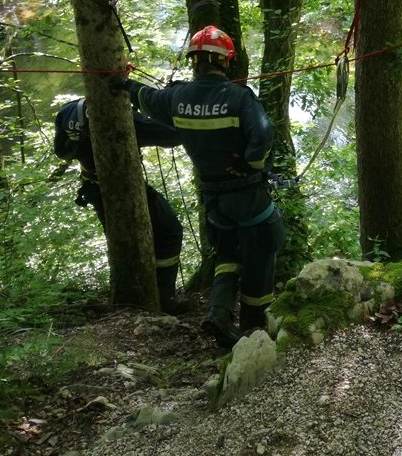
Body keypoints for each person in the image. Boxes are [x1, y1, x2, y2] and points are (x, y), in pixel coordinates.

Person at [111, 25, 284, 348]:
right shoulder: (239, 97)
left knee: (227, 253)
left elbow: (147, 99)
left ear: (194, 61)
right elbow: (262, 134)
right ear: (227, 61)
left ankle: (219, 313)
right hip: (246, 194)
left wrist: (124, 83)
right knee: (263, 245)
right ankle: (253, 327)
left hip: (213, 198)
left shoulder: (176, 98)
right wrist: (252, 163)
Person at [53, 97, 186, 314]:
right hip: (128, 189)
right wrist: (161, 103)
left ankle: (131, 298)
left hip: (94, 189)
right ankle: (164, 299)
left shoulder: (68, 111)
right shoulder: (124, 118)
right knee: (170, 231)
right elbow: (174, 135)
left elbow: (61, 151)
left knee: (121, 241)